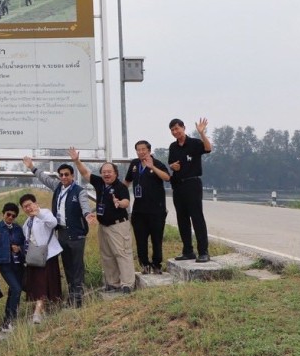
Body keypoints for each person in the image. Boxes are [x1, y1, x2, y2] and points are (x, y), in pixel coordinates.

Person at [23, 156, 90, 308]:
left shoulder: (79, 191)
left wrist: (87, 214)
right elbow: (44, 178)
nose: (64, 177)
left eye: (67, 174)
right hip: (62, 233)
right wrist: (32, 167)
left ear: (72, 176)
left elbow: (85, 205)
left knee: (77, 267)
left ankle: (78, 298)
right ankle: (72, 297)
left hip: (77, 234)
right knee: (67, 267)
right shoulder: (58, 187)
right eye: (61, 175)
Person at [71, 148, 136, 293]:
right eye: (104, 172)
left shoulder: (120, 187)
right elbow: (85, 173)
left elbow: (126, 202)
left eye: (109, 172)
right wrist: (76, 160)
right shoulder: (99, 182)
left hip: (118, 225)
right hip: (103, 226)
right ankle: (113, 283)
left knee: (122, 253)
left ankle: (127, 284)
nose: (106, 174)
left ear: (115, 173)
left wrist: (119, 203)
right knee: (107, 255)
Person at [168, 117, 213, 262]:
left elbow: (208, 148)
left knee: (197, 217)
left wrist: (202, 133)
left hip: (192, 183)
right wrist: (172, 166)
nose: (175, 132)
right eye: (172, 130)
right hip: (178, 185)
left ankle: (203, 252)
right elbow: (171, 163)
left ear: (183, 128)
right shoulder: (173, 147)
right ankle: (188, 251)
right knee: (182, 219)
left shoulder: (194, 143)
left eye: (177, 128)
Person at [125, 140, 171, 274]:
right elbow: (127, 181)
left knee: (156, 239)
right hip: (139, 210)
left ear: (149, 150)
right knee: (141, 240)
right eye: (138, 150)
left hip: (156, 210)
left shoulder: (157, 163)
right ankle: (144, 264)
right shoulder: (134, 164)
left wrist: (153, 167)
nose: (141, 152)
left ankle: (157, 264)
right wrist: (118, 192)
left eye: (143, 149)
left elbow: (167, 177)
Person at [19, 193, 63, 323]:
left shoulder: (44, 213)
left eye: (29, 205)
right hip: (36, 259)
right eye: (25, 207)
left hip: (49, 255)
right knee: (40, 285)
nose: (28, 208)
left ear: (35, 203)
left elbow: (53, 223)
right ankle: (42, 311)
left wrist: (39, 214)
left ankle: (38, 312)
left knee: (48, 283)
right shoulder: (26, 224)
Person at [0, 203, 26, 330]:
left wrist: (19, 248)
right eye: (8, 214)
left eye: (13, 215)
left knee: (13, 290)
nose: (10, 217)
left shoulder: (18, 228)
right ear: (3, 214)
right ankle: (10, 320)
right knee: (17, 289)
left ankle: (8, 321)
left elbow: (24, 243)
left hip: (18, 264)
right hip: (5, 264)